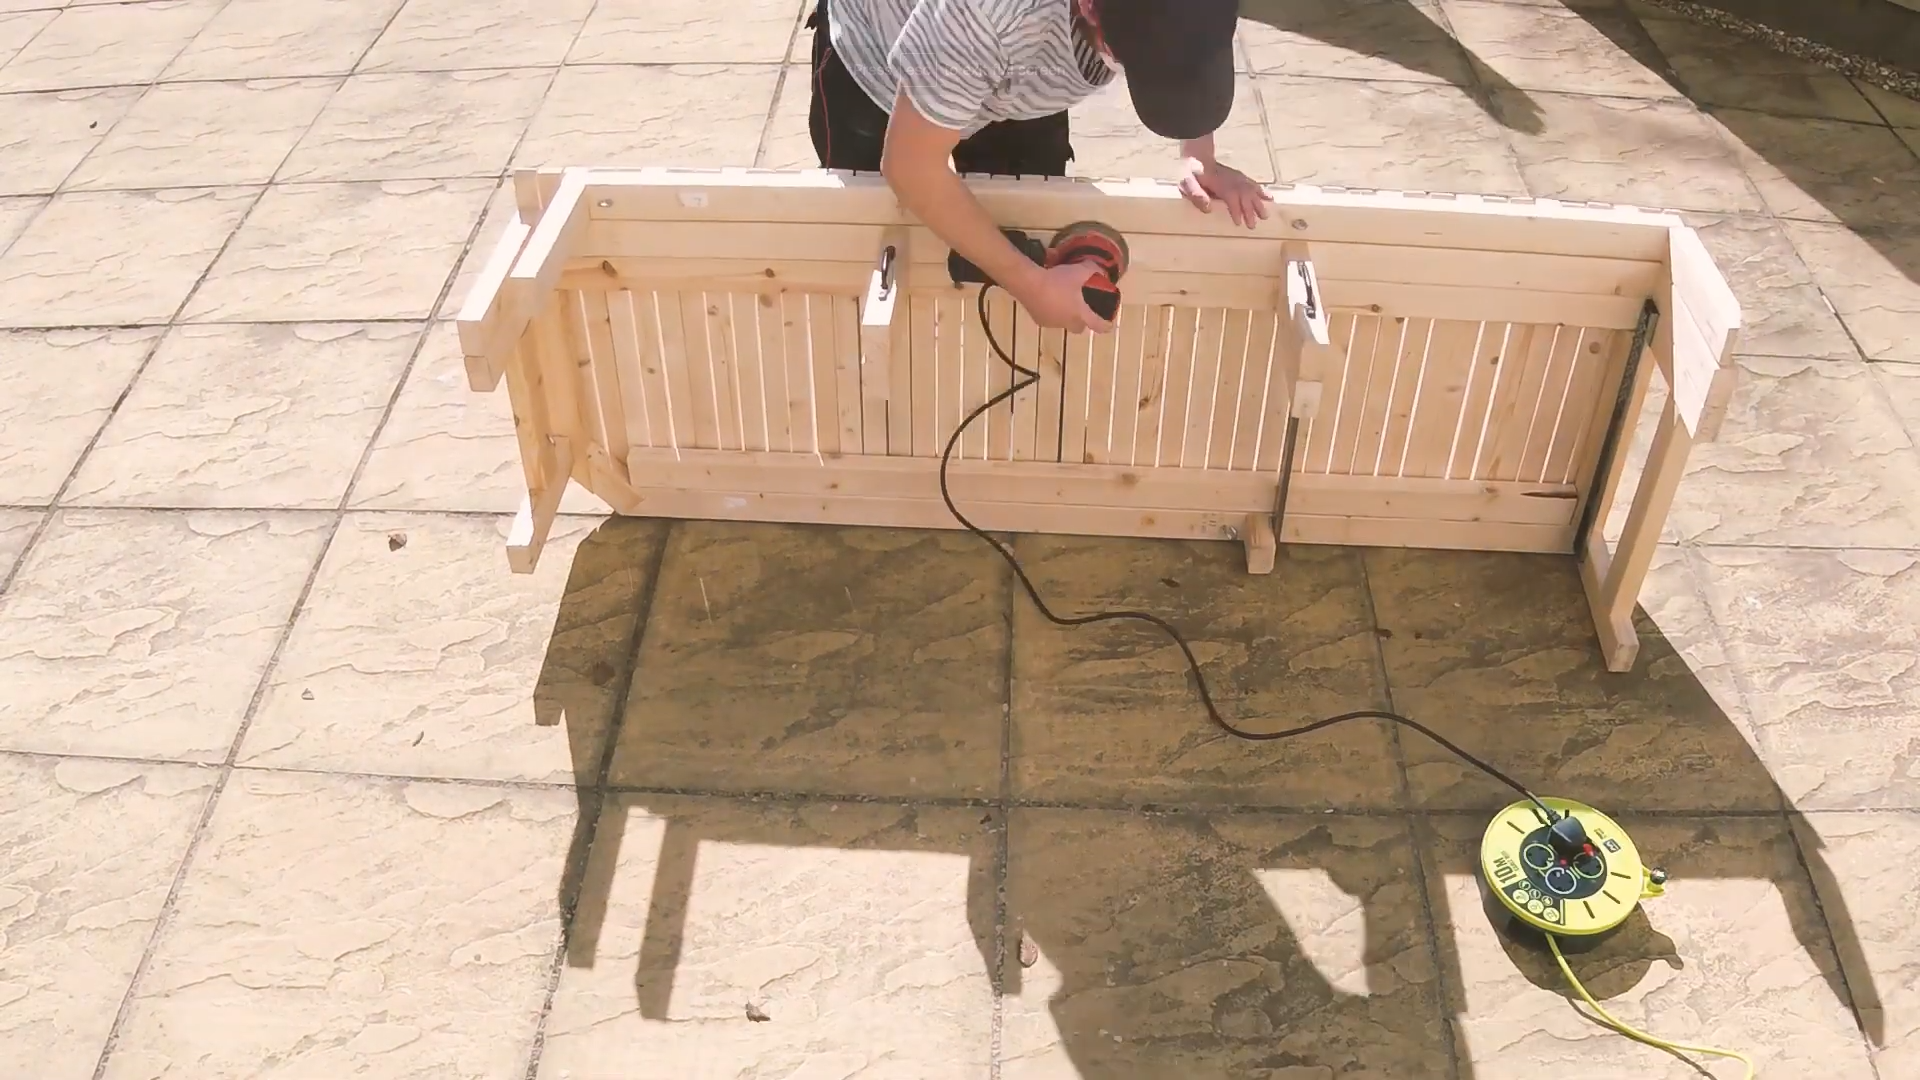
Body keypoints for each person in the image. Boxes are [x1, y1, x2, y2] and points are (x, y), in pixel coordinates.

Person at [805, 0, 1272, 333]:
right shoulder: (988, 17)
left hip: (1013, 62)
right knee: (886, 240)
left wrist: (1199, 152)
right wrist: (1030, 285)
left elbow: (1187, 33)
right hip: (877, 64)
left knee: (1026, 233)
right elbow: (910, 167)